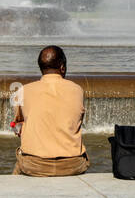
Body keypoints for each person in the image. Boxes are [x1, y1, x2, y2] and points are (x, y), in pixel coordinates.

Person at [11, 45, 89, 176]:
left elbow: (18, 123)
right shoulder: (77, 90)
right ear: (62, 67)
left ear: (41, 68)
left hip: (34, 165)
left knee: (17, 171)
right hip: (73, 165)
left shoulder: (23, 91)